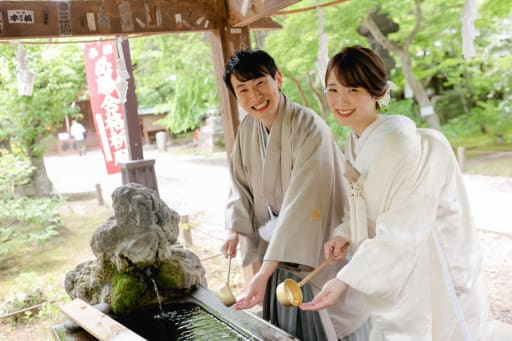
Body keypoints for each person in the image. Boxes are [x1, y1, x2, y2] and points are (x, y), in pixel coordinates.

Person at [299, 45, 491, 340]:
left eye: (353, 90)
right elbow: (363, 204)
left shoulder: (402, 144)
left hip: (419, 257)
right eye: (333, 90)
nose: (340, 101)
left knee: (428, 328)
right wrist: (344, 233)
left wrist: (345, 279)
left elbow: (403, 227)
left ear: (376, 93)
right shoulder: (356, 138)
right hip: (390, 258)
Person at [220, 48, 371, 341]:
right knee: (288, 323)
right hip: (278, 252)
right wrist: (233, 230)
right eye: (244, 89)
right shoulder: (249, 128)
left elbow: (303, 205)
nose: (255, 96)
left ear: (277, 79)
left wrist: (262, 274)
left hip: (318, 243)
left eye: (260, 84)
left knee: (329, 317)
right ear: (235, 95)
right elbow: (239, 183)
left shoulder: (308, 126)